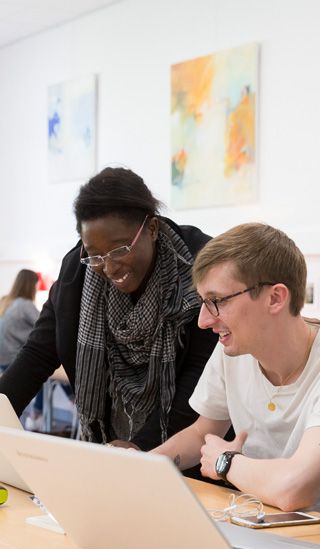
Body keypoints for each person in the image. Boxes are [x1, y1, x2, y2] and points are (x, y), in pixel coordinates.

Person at [0, 167, 218, 451]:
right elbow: (38, 354)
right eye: (95, 255)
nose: (109, 267)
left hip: (189, 449)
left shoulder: (199, 268)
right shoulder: (75, 276)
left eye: (119, 249)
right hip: (110, 448)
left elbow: (200, 376)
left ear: (151, 229)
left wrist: (140, 447)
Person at [152, 223, 320, 511]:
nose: (204, 321)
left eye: (216, 301)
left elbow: (295, 488)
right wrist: (136, 468)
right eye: (204, 302)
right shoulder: (233, 351)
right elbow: (202, 433)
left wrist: (225, 462)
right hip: (261, 524)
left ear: (275, 298)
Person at [0, 269, 39, 371]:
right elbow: (44, 325)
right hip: (13, 361)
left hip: (2, 360)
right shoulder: (25, 305)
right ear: (31, 285)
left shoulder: (5, 301)